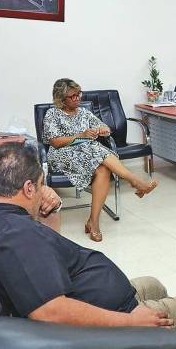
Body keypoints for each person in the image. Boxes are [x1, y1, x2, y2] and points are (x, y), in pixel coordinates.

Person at [0, 142, 176, 349]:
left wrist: (51, 209)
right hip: (113, 318)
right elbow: (51, 312)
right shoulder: (16, 235)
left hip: (93, 295)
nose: (41, 192)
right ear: (28, 188)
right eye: (39, 186)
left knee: (153, 285)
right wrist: (130, 322)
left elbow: (40, 257)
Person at [43, 78, 158, 242]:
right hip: (63, 153)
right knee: (96, 150)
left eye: (78, 94)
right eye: (72, 96)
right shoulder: (52, 114)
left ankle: (93, 222)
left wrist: (103, 130)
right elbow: (54, 141)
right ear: (61, 99)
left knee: (103, 169)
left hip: (88, 152)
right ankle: (135, 181)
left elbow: (104, 127)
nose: (77, 98)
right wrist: (80, 136)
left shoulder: (84, 112)